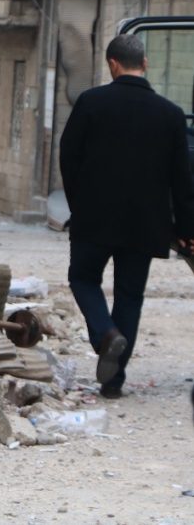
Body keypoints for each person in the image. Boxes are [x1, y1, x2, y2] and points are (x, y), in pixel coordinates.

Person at [60, 34, 194, 399]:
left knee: (83, 278)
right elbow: (182, 179)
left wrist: (79, 204)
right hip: (146, 224)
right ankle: (114, 381)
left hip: (94, 218)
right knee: (130, 296)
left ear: (112, 65)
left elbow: (68, 157)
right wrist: (185, 229)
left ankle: (106, 333)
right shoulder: (170, 114)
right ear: (145, 64)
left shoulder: (90, 103)